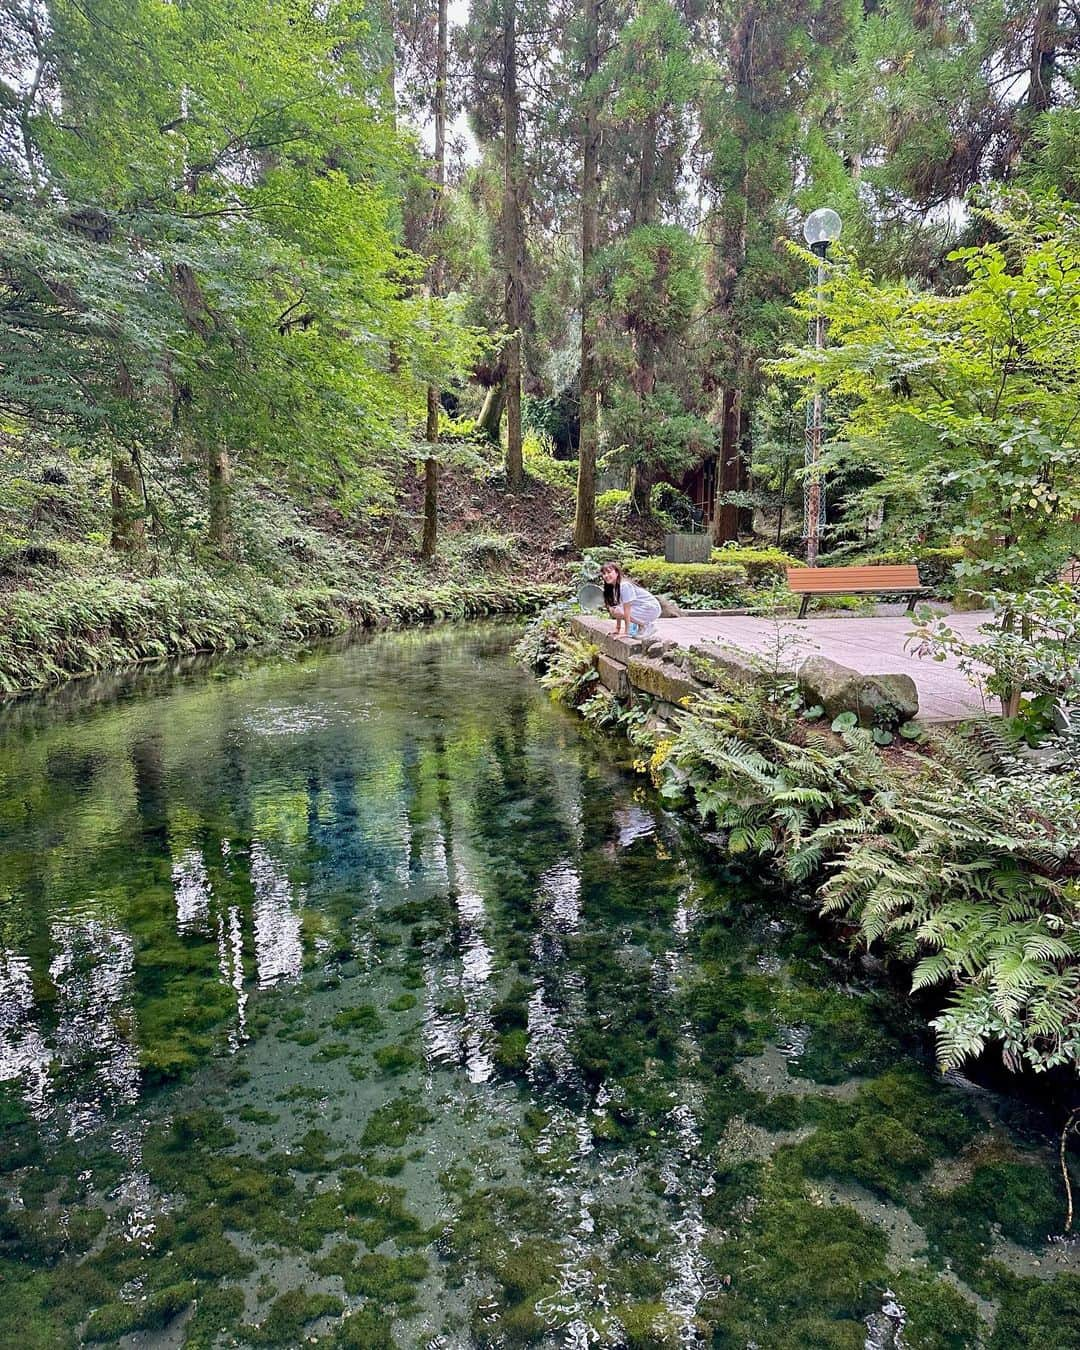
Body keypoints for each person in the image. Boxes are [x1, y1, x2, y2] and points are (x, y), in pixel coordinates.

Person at [600, 562, 662, 639]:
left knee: (618, 610)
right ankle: (642, 627)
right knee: (613, 609)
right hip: (643, 608)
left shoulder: (624, 585)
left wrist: (626, 632)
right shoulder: (614, 588)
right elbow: (618, 607)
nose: (606, 576)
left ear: (617, 573)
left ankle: (647, 626)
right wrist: (617, 629)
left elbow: (627, 610)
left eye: (609, 572)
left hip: (651, 608)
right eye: (604, 573)